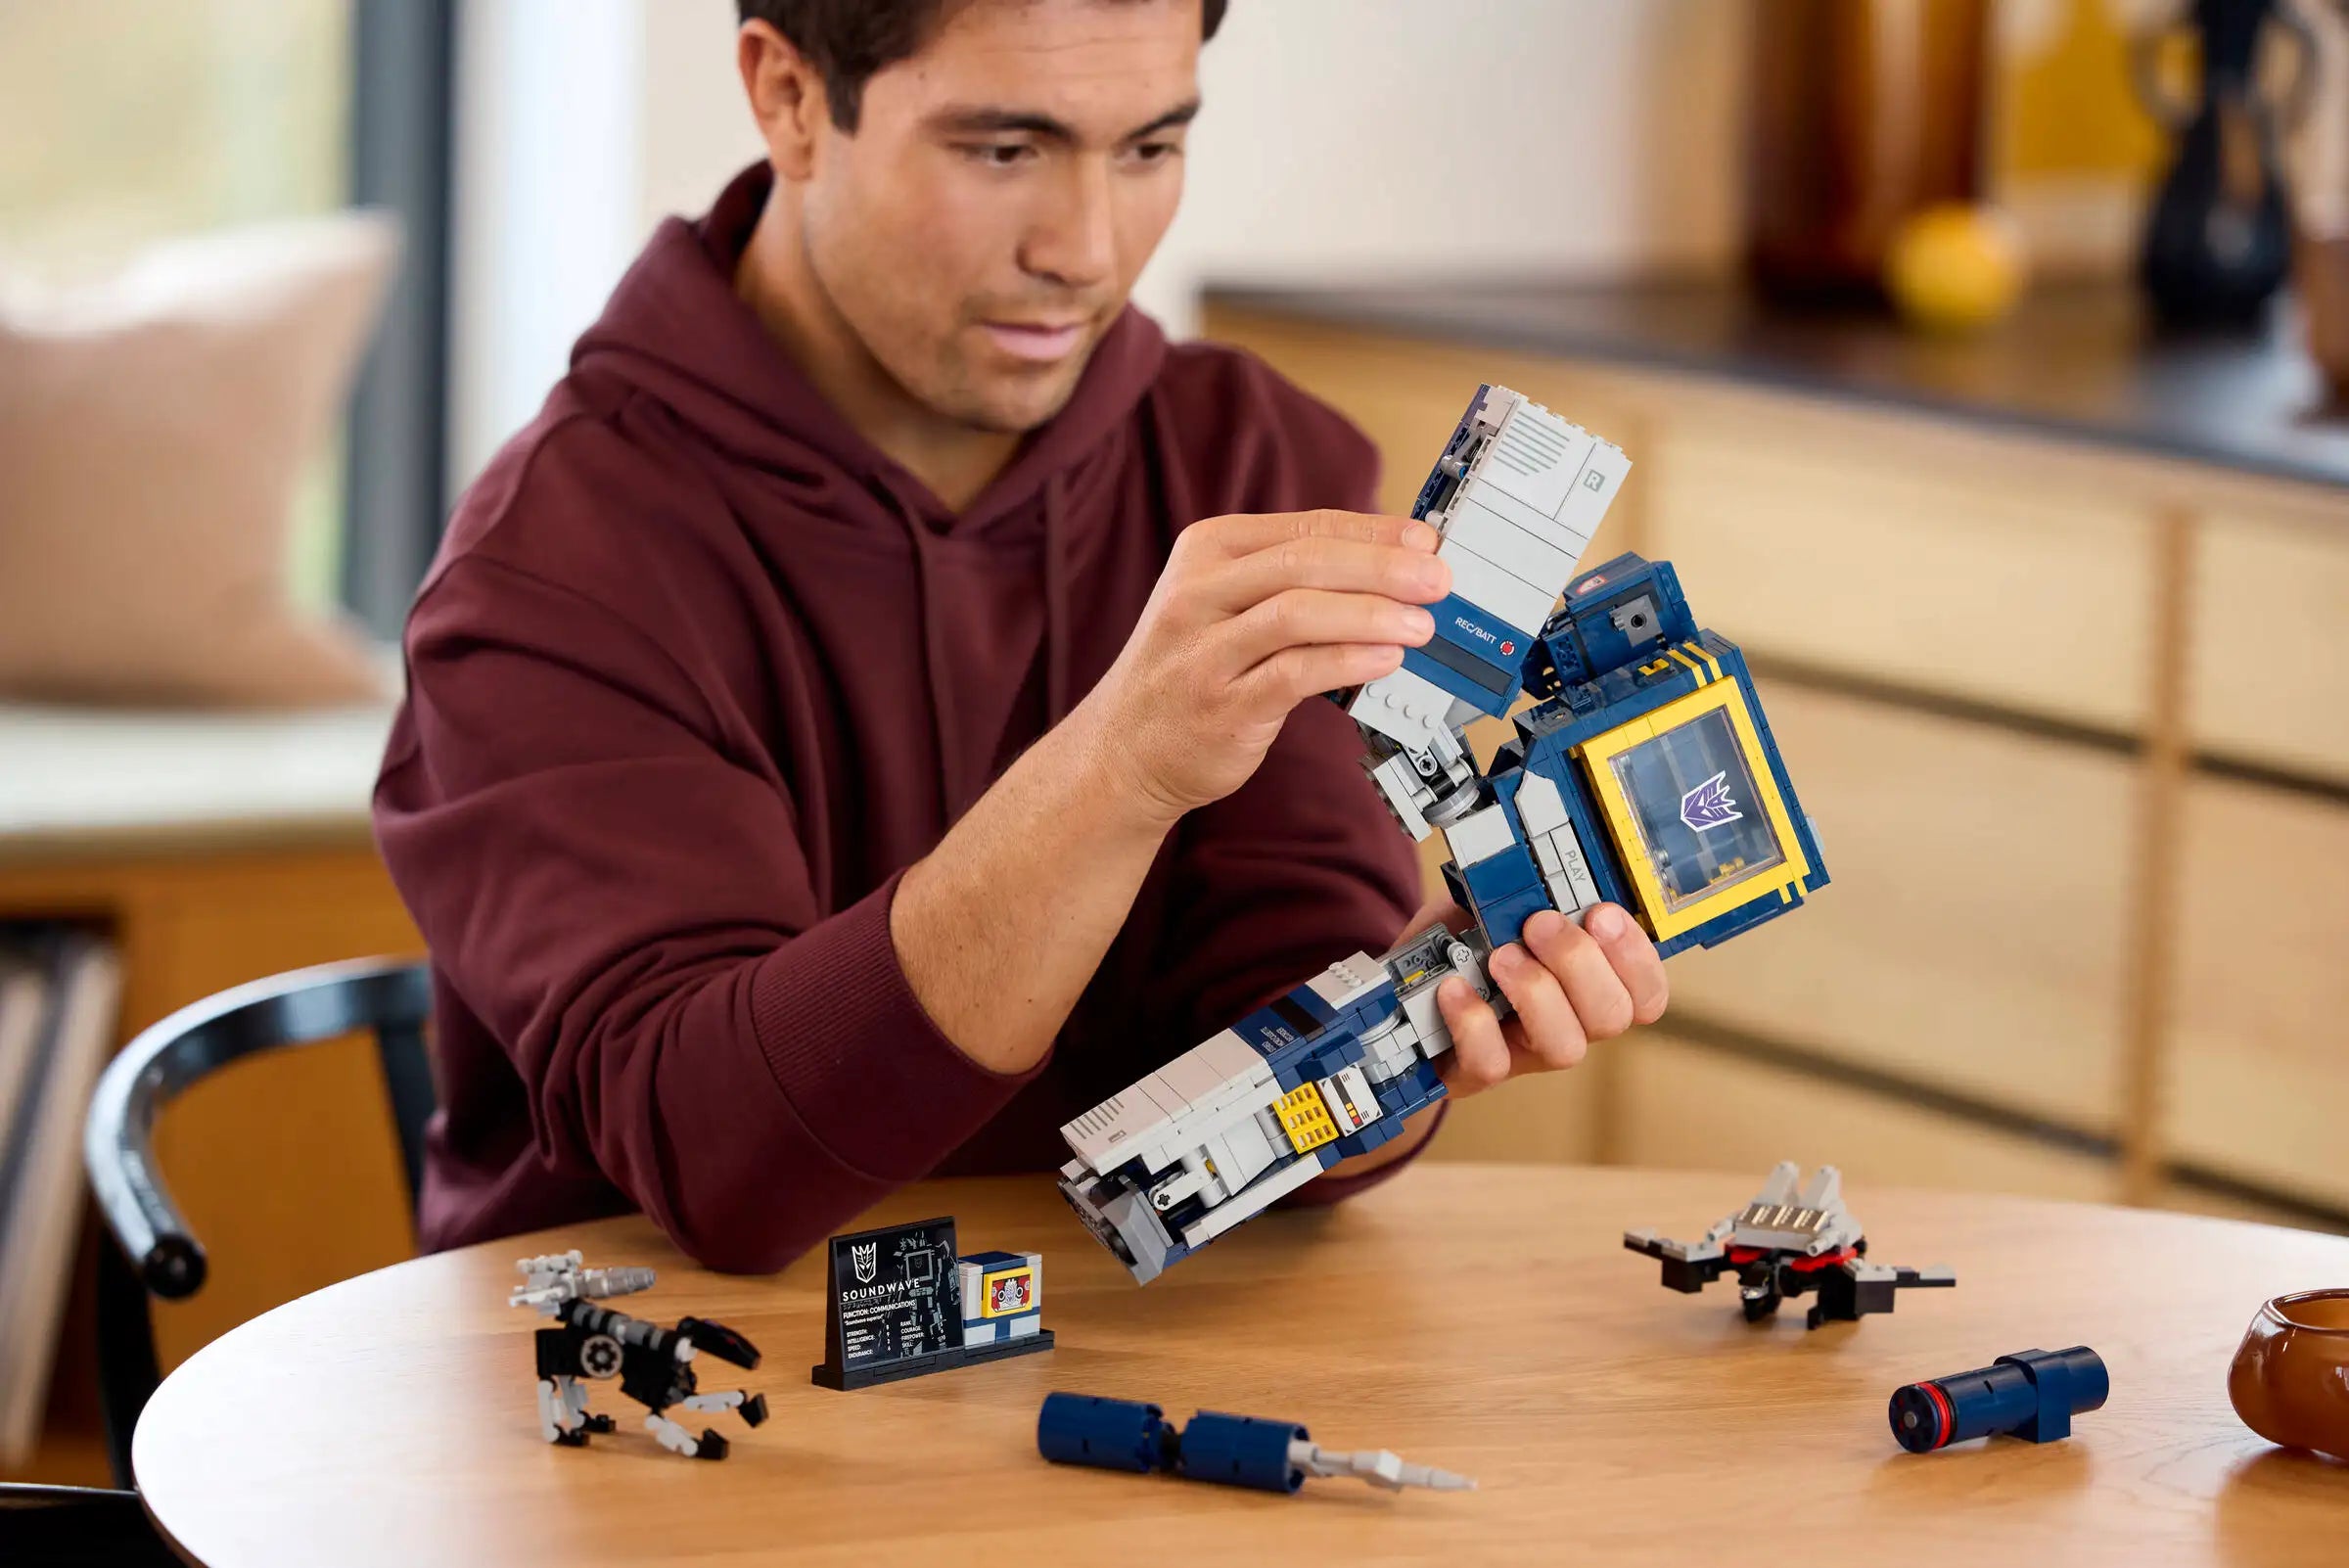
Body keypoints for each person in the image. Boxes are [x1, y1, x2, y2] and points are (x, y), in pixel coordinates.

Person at [373, 0, 1668, 1272]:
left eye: (1149, 146)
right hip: (665, 1377)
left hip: (1121, 1356)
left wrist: (1417, 1020)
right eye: (1003, 150)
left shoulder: (1250, 459)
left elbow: (1266, 1019)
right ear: (788, 97)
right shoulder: (548, 571)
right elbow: (724, 1162)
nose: (1087, 251)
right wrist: (1121, 768)